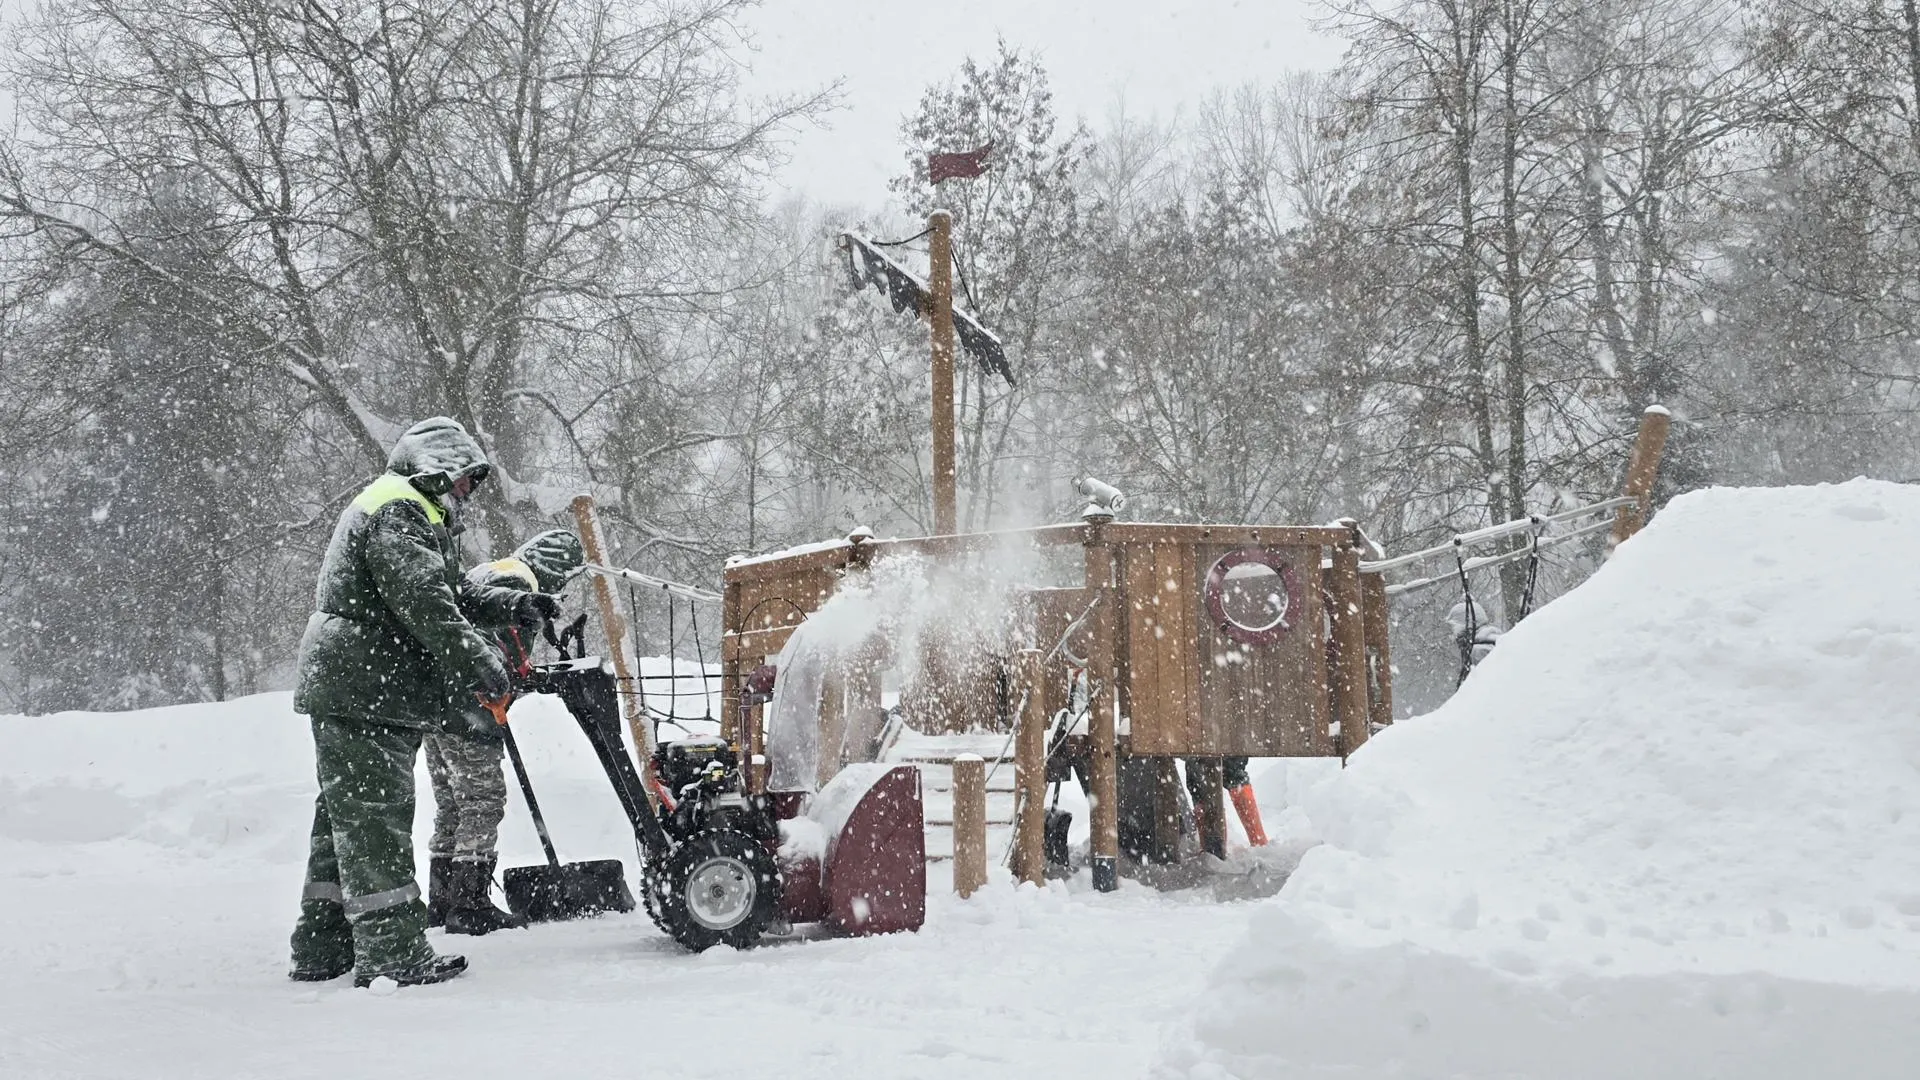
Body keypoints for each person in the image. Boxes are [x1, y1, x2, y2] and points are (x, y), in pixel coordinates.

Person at [286, 417, 536, 988]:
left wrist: (513, 604)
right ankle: (393, 955)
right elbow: (427, 604)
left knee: (344, 823)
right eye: (466, 480)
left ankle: (323, 947)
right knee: (376, 819)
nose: (468, 491)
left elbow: (448, 590)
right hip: (364, 688)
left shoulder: (406, 510)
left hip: (359, 686)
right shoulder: (400, 510)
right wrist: (483, 663)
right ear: (439, 467)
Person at [424, 529, 584, 935]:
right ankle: (470, 903)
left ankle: (442, 902)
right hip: (468, 710)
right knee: (482, 800)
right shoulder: (518, 583)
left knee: (454, 805)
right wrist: (499, 677)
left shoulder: (487, 573)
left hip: (436, 708)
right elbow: (488, 640)